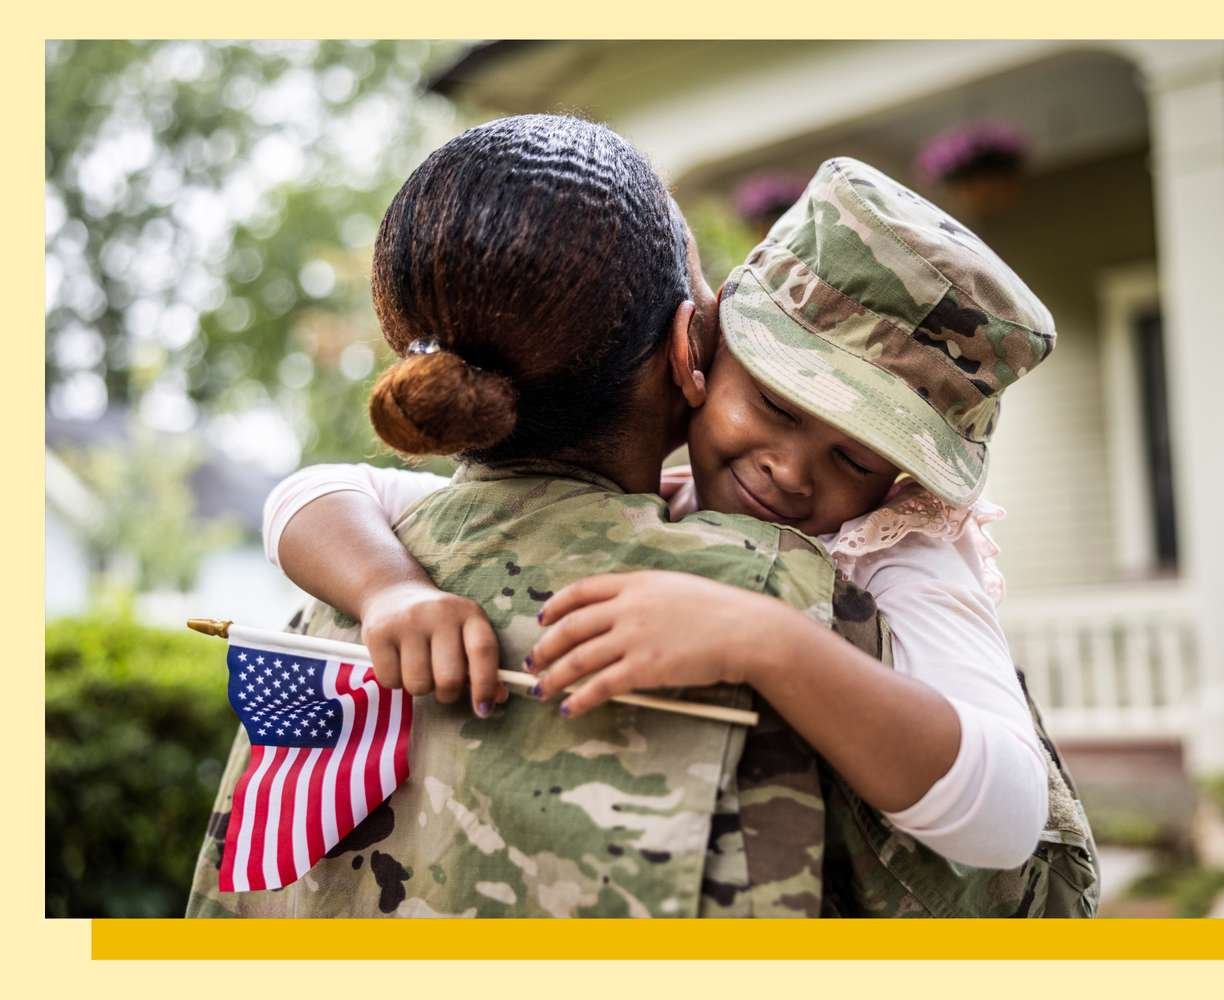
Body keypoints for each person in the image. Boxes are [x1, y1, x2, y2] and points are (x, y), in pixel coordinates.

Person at [258, 156, 1098, 891]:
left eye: (856, 460)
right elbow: (315, 495)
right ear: (704, 347)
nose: (792, 469)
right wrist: (389, 590)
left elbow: (1008, 816)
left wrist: (765, 638)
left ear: (905, 480)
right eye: (773, 402)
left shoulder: (902, 552)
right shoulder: (656, 489)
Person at [186, 115, 892, 917]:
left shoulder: (330, 603)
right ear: (683, 349)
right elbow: (993, 887)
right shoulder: (778, 589)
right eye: (703, 290)